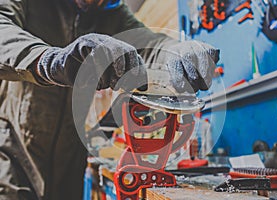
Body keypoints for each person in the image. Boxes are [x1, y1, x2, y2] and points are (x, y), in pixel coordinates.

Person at [0, 0, 219, 199]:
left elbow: (150, 44)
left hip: (70, 157)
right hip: (14, 150)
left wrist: (176, 51)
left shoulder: (110, 12)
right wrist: (49, 60)